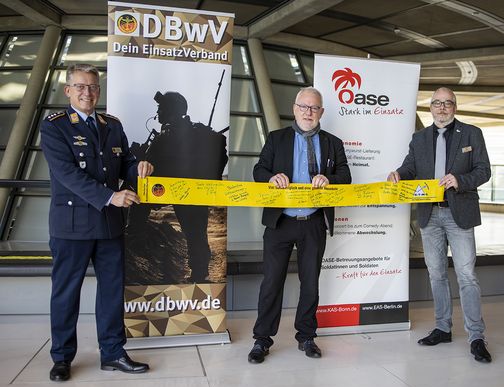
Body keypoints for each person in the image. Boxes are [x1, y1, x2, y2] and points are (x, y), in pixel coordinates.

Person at [40, 64, 154, 382]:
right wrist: (111, 196)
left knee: (112, 292)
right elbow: (68, 175)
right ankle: (62, 358)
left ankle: (113, 353)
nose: (87, 92)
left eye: (92, 87)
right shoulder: (55, 126)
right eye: (80, 87)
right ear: (67, 90)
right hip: (71, 226)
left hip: (108, 226)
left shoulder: (111, 125)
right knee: (66, 293)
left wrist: (139, 167)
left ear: (99, 91)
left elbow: (125, 162)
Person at [387, 87, 492, 363]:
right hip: (429, 215)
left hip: (460, 214)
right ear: (430, 107)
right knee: (437, 275)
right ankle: (443, 328)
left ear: (454, 107)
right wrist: (398, 173)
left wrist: (460, 180)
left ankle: (476, 336)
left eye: (447, 103)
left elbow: (484, 170)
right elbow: (410, 167)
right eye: (437, 103)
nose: (442, 108)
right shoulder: (419, 138)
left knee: (467, 276)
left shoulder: (472, 134)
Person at [248, 87, 352, 364]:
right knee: (271, 282)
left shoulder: (333, 142)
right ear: (294, 109)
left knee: (310, 283)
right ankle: (262, 340)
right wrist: (270, 178)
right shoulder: (276, 138)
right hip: (280, 221)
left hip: (314, 222)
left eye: (314, 108)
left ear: (321, 112)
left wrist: (329, 179)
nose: (308, 112)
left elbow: (345, 175)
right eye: (304, 107)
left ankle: (306, 336)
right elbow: (258, 170)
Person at [128, 91, 228, 282]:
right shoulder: (198, 132)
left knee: (136, 197)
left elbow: (149, 166)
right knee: (196, 234)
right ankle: (199, 273)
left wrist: (139, 154)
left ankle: (134, 240)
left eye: (161, 108)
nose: (158, 112)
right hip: (194, 193)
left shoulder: (166, 136)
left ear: (170, 110)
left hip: (172, 191)